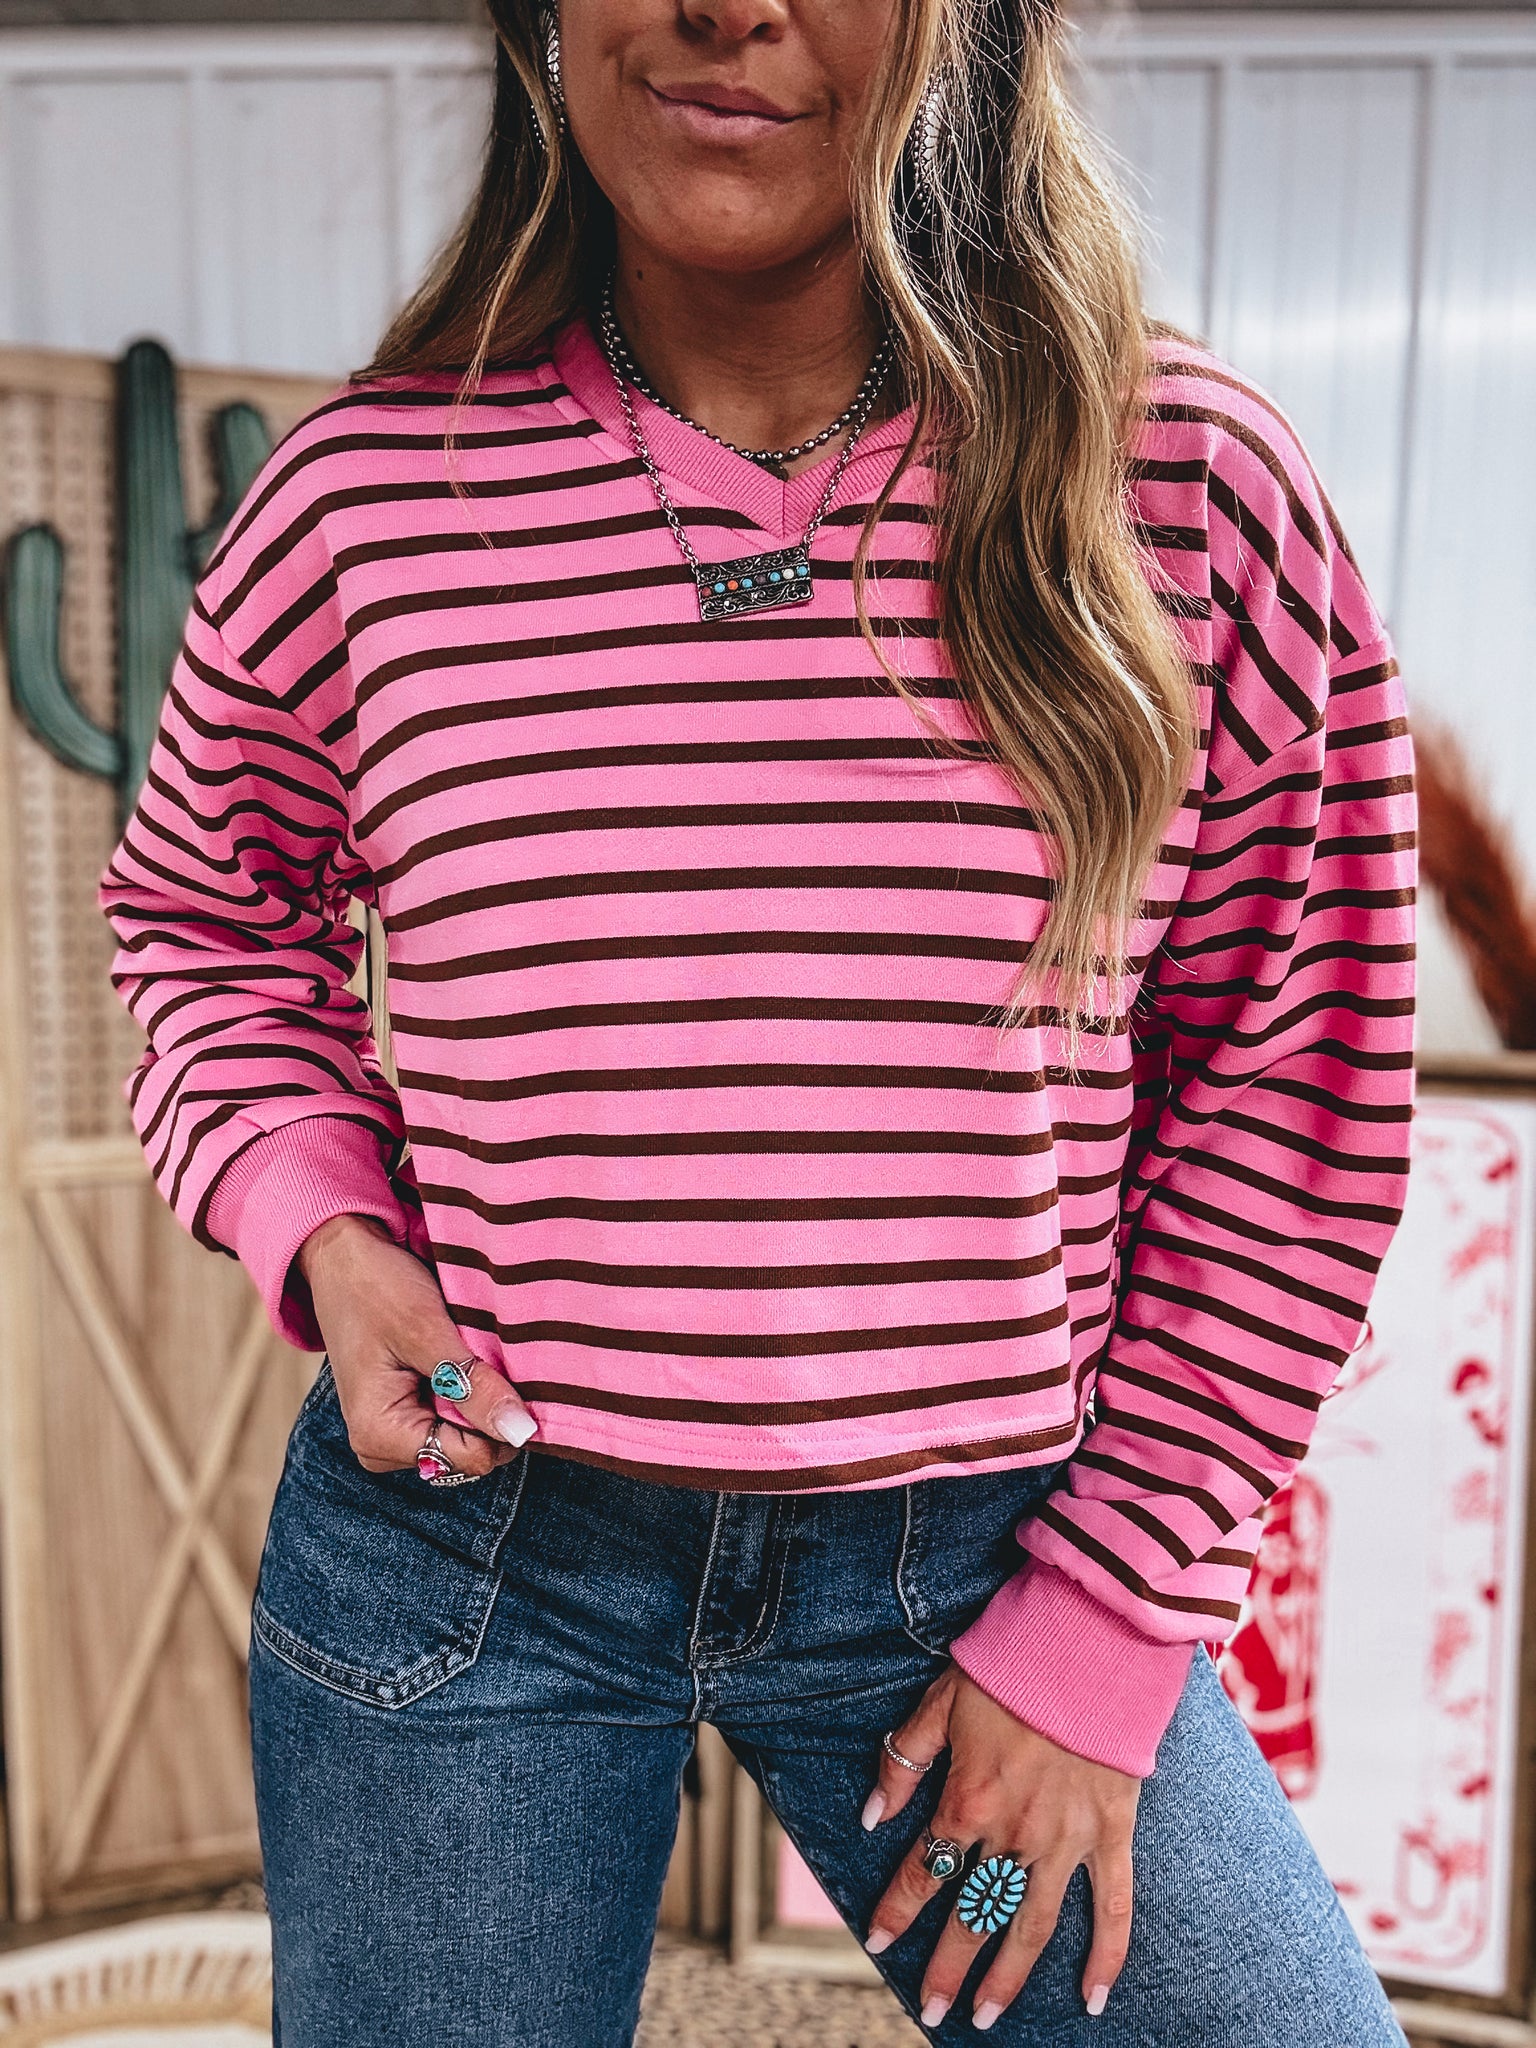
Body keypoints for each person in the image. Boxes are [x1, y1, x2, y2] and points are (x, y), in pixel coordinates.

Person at [100, 1, 1417, 2042]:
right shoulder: (365, 501)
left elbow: (1292, 1088)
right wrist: (325, 1227)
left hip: (993, 1569)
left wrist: (1098, 1632)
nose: (729, 3)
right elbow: (202, 919)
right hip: (469, 1558)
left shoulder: (1191, 492)